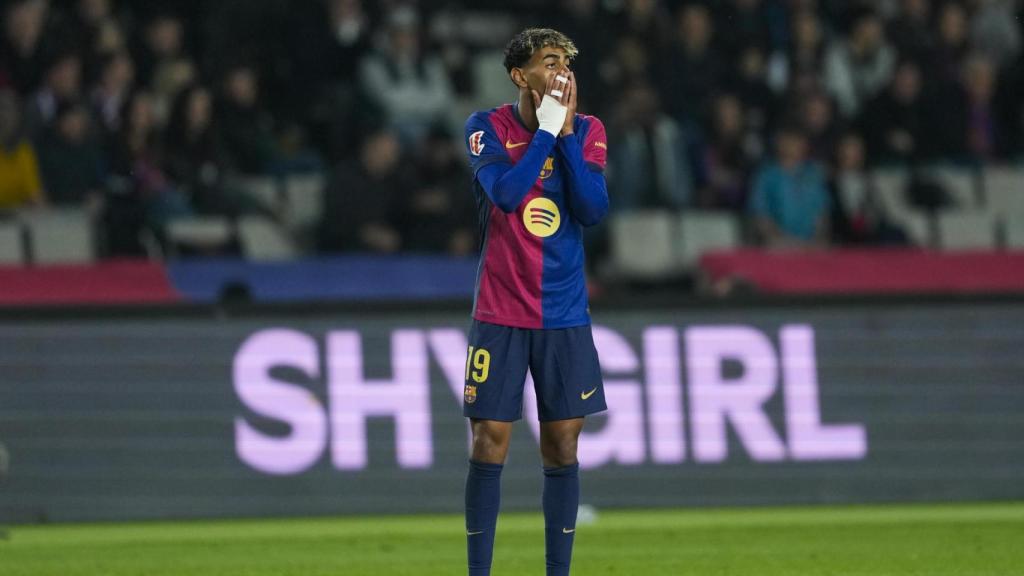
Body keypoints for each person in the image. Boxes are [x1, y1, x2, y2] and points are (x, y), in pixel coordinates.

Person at [461, 28, 609, 576]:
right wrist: (545, 133)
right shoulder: (487, 127)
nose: (563, 72)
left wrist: (565, 135)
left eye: (567, 62)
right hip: (500, 310)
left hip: (563, 311)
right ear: (521, 76)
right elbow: (505, 194)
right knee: (489, 438)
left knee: (564, 443)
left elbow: (592, 210)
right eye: (550, 62)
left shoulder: (589, 130)